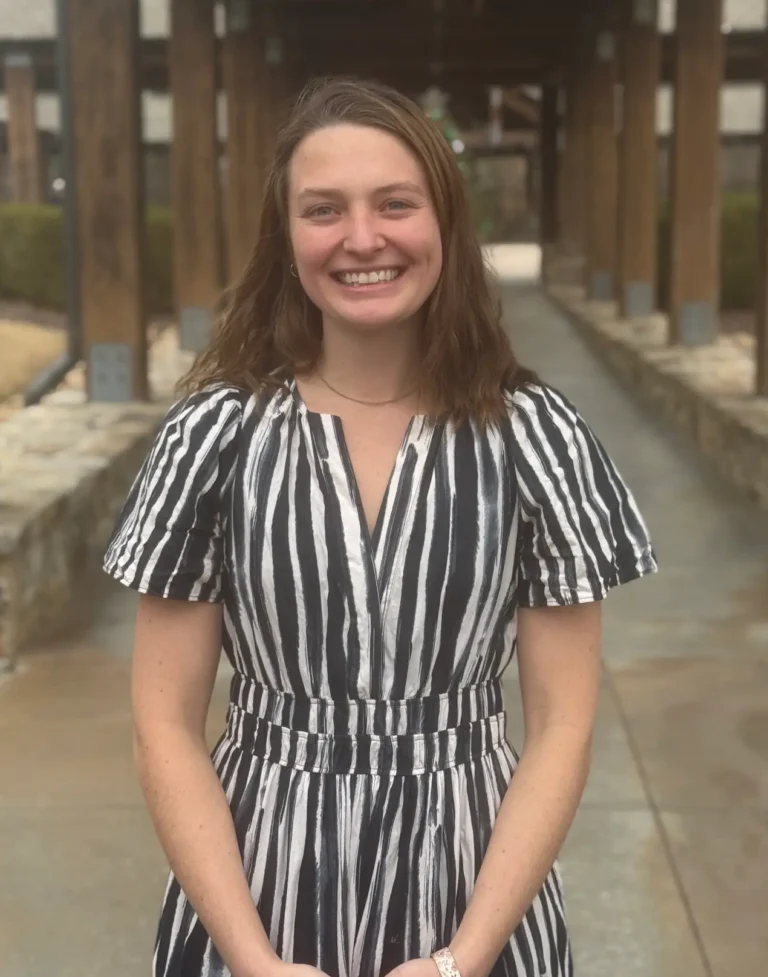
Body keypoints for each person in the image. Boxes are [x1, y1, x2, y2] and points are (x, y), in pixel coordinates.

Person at [103, 78, 657, 977]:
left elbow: (563, 725)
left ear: (446, 223)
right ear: (286, 236)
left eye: (395, 203)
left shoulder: (535, 439)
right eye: (324, 209)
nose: (362, 238)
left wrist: (462, 959)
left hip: (474, 892)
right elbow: (163, 726)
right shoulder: (215, 438)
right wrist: (253, 960)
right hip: (255, 889)